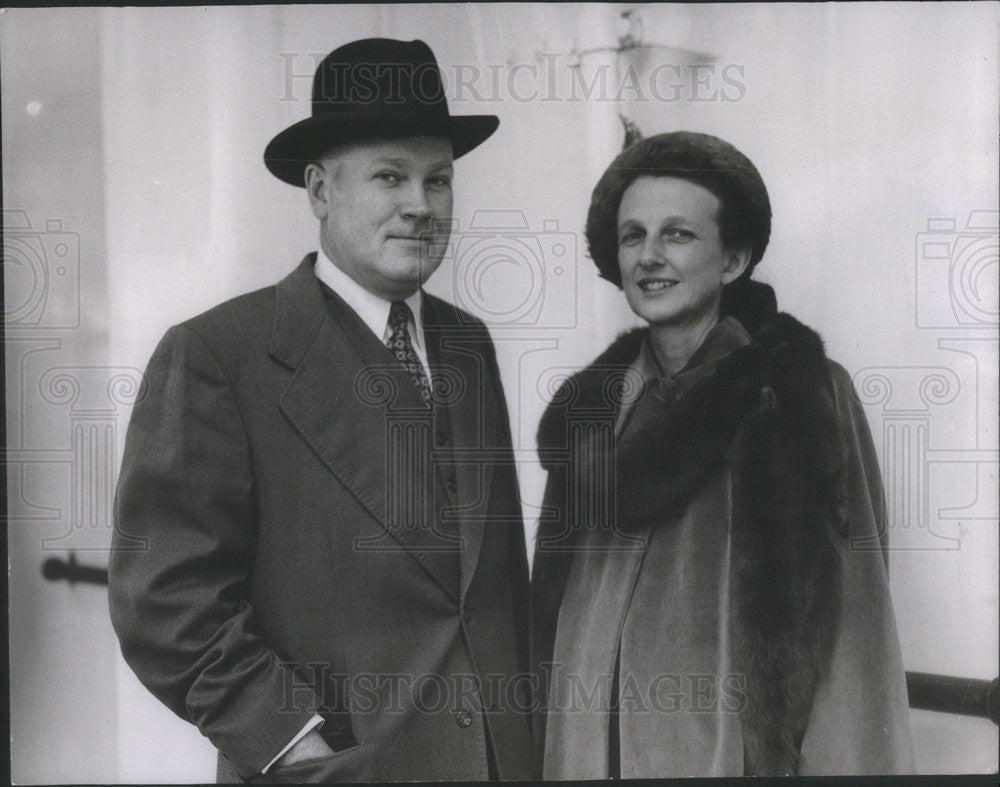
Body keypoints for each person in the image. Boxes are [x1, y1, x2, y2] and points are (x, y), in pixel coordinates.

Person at [109, 38, 533, 783]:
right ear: (318, 191)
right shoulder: (217, 355)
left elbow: (490, 584)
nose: (420, 205)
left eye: (439, 179)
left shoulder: (469, 344)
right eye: (389, 177)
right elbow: (166, 601)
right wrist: (295, 746)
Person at [530, 131, 914, 777]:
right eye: (633, 236)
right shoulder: (591, 413)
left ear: (733, 259)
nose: (650, 256)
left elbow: (856, 633)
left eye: (678, 234)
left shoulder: (795, 395)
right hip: (586, 756)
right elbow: (550, 615)